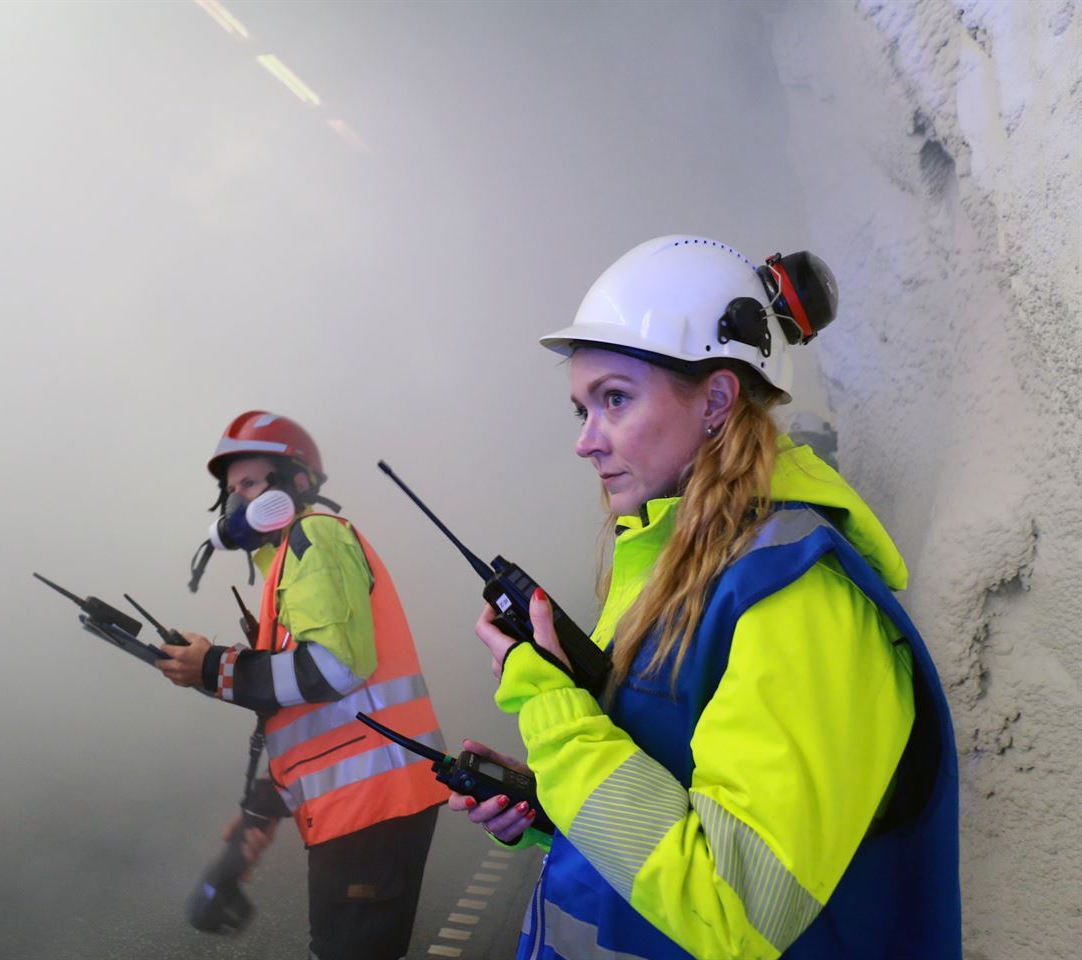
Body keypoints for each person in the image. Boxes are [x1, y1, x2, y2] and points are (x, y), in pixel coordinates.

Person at [453, 236, 961, 959]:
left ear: (717, 399)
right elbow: (674, 797)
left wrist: (550, 710)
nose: (585, 442)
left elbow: (735, 907)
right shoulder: (671, 561)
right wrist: (551, 804)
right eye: (581, 411)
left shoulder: (799, 601)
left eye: (615, 400)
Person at [158, 411, 449, 960]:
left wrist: (215, 668)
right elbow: (315, 719)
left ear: (296, 482)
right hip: (364, 805)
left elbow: (334, 671)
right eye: (230, 491)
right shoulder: (287, 564)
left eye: (248, 484)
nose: (236, 503)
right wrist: (264, 808)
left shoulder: (311, 540)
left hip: (373, 807)